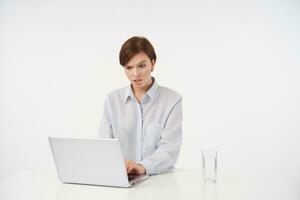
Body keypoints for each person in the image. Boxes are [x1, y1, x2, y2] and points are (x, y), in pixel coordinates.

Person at [99, 36, 182, 175]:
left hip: (160, 182)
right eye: (128, 67)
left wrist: (142, 167)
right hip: (122, 179)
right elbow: (103, 145)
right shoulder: (112, 100)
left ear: (153, 63)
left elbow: (169, 150)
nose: (135, 74)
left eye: (141, 65)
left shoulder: (172, 101)